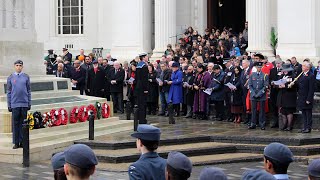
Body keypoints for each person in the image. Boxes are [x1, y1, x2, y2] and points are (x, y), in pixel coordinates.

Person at [7, 60, 31, 149]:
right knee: (15, 124)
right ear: (14, 66)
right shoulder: (10, 77)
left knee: (23, 124)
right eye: (17, 65)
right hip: (15, 104)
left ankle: (22, 141)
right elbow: (9, 92)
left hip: (24, 104)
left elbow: (29, 91)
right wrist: (9, 104)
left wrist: (29, 102)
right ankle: (16, 142)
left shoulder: (26, 77)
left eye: (20, 65)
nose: (18, 67)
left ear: (22, 67)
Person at [248, 61, 269, 130]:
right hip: (253, 95)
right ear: (256, 67)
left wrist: (259, 94)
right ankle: (253, 123)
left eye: (260, 67)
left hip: (261, 95)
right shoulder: (252, 75)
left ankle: (262, 124)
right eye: (258, 67)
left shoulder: (265, 75)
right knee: (253, 110)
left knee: (262, 111)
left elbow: (265, 86)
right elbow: (250, 85)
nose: (259, 68)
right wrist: (253, 93)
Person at [277, 64, 297, 131]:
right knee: (283, 112)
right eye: (284, 70)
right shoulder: (282, 76)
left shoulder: (292, 77)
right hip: (282, 96)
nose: (285, 71)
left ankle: (289, 126)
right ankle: (284, 125)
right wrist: (277, 85)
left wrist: (284, 86)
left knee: (289, 112)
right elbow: (277, 83)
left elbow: (292, 86)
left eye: (286, 70)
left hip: (289, 97)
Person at [296, 62, 315, 133]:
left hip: (307, 98)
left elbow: (311, 89)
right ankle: (304, 127)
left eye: (303, 66)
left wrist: (309, 99)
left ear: (308, 67)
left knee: (308, 114)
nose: (302, 67)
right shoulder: (301, 74)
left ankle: (308, 127)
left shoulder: (311, 75)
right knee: (303, 113)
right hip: (301, 97)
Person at [135, 53, 149, 124]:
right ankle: (142, 119)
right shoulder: (144, 66)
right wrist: (145, 89)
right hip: (142, 87)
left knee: (140, 103)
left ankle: (140, 118)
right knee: (143, 104)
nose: (147, 58)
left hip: (138, 86)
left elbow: (136, 78)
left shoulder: (138, 65)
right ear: (143, 58)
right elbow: (144, 79)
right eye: (146, 57)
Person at [269, 59, 283, 128]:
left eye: (279, 63)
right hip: (274, 91)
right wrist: (271, 82)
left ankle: (281, 122)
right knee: (273, 106)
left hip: (280, 91)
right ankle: (275, 121)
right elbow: (270, 78)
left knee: (280, 106)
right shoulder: (272, 70)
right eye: (277, 63)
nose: (278, 64)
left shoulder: (283, 71)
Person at [240, 59, 252, 125]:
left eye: (244, 63)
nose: (242, 64)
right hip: (243, 91)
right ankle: (246, 118)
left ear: (248, 64)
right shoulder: (243, 71)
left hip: (248, 91)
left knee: (249, 105)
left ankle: (250, 119)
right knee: (245, 105)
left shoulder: (250, 71)